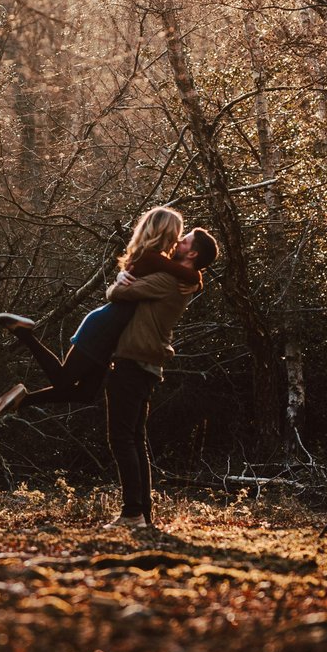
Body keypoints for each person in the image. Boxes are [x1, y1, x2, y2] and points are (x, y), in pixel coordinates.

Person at [0, 206, 199, 417]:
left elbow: (172, 274)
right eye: (178, 235)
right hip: (104, 327)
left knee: (85, 393)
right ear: (166, 233)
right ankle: (24, 333)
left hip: (110, 331)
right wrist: (197, 280)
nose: (179, 241)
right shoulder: (151, 259)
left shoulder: (150, 258)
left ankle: (22, 399)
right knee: (63, 379)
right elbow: (184, 274)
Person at [100, 225, 219, 530]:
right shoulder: (181, 280)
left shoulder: (167, 280)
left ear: (191, 253)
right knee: (135, 439)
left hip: (134, 360)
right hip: (147, 363)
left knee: (121, 439)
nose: (178, 241)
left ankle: (132, 513)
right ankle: (142, 514)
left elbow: (118, 294)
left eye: (185, 240)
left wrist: (117, 280)